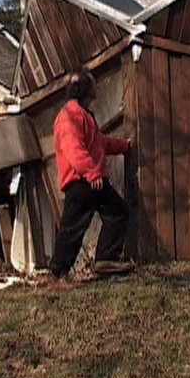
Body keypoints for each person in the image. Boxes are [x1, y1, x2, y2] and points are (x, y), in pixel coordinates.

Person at [48, 69, 134, 282]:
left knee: (118, 212)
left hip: (92, 180)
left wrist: (124, 146)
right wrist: (92, 172)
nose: (96, 88)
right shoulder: (69, 115)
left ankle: (106, 260)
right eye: (92, 84)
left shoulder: (84, 114)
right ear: (84, 88)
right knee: (73, 227)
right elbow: (73, 148)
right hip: (82, 182)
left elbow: (100, 143)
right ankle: (58, 271)